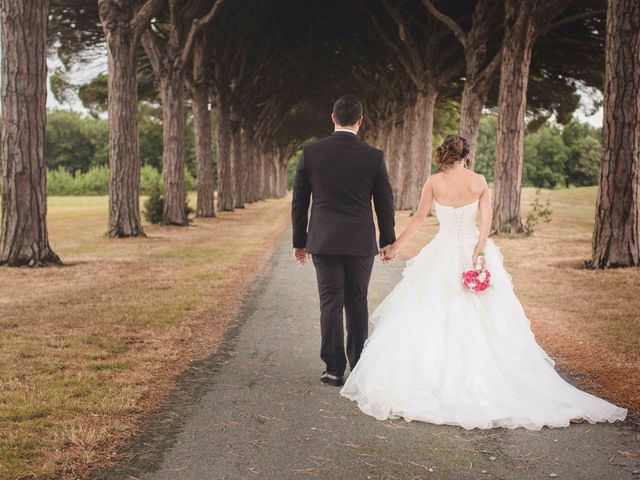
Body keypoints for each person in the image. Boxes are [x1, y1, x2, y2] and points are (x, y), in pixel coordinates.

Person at [339, 135, 628, 430]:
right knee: (486, 316)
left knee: (429, 310)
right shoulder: (478, 181)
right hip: (471, 248)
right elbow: (486, 220)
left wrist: (395, 246)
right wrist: (479, 249)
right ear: (466, 155)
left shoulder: (434, 182)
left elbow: (418, 218)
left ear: (444, 154)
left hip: (441, 252)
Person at [291, 94, 396, 387]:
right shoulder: (373, 156)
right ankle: (359, 369)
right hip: (360, 242)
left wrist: (299, 241)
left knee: (330, 303)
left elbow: (300, 201)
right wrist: (388, 239)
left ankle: (334, 370)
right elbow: (384, 202)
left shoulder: (311, 152)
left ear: (332, 117)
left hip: (323, 241)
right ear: (361, 120)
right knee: (357, 301)